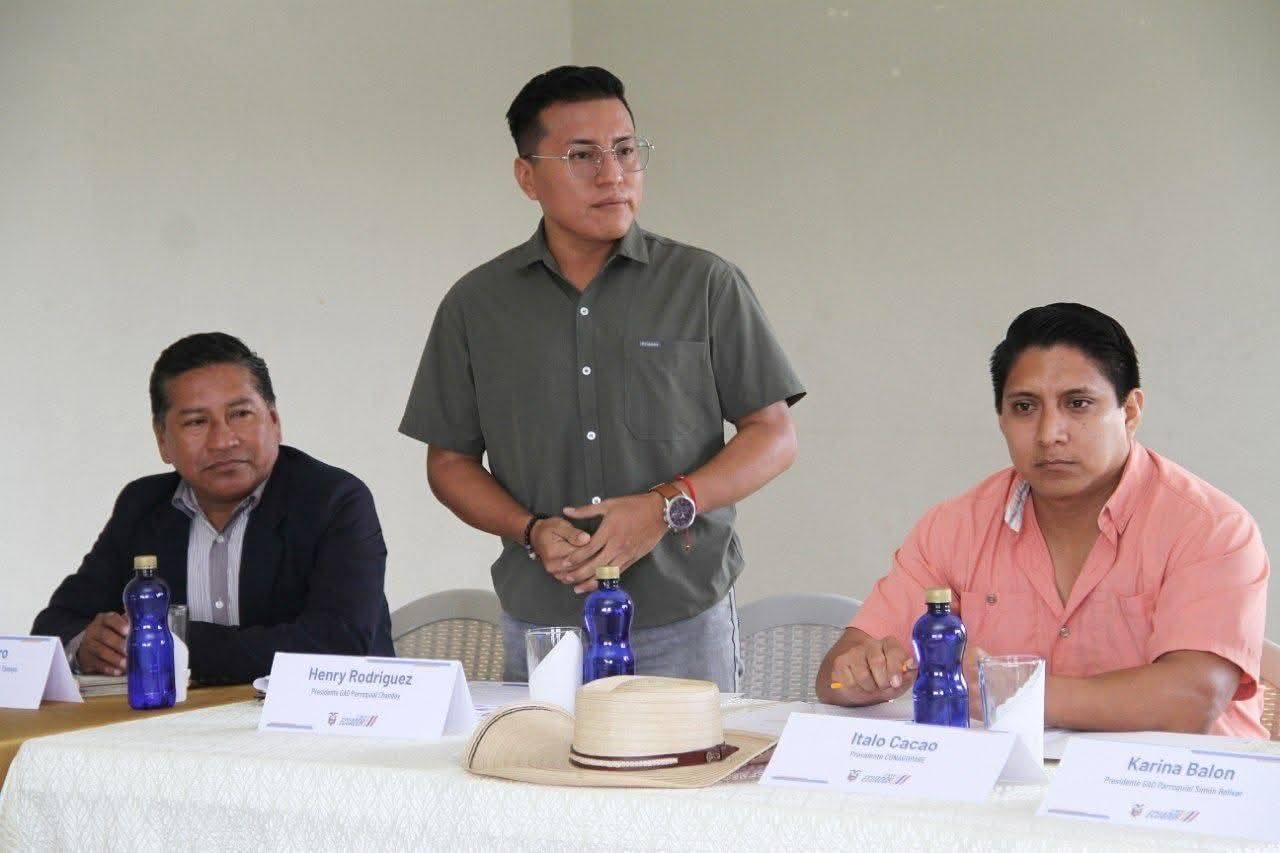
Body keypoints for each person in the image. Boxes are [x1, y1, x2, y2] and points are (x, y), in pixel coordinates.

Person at [399, 66, 804, 690]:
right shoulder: (476, 305)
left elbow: (773, 434)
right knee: (543, 757)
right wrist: (529, 530)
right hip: (544, 621)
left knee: (691, 756)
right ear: (527, 177)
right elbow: (449, 462)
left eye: (625, 150)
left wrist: (667, 506)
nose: (613, 174)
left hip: (681, 616)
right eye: (582, 155)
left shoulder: (704, 283)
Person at [818, 303, 1269, 737]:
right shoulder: (954, 526)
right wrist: (860, 677)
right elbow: (832, 678)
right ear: (1001, 419)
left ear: (1130, 412)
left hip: (1171, 782)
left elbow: (1191, 700)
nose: (1049, 433)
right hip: (1009, 780)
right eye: (1025, 407)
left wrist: (1012, 692)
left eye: (1078, 403)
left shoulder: (1210, 528)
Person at [33, 332, 395, 684]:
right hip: (182, 721)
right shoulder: (142, 505)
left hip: (325, 719)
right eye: (196, 422)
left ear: (274, 421)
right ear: (162, 440)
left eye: (240, 414)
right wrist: (88, 645)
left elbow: (336, 644)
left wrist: (166, 642)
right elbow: (56, 624)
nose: (223, 440)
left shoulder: (334, 500)